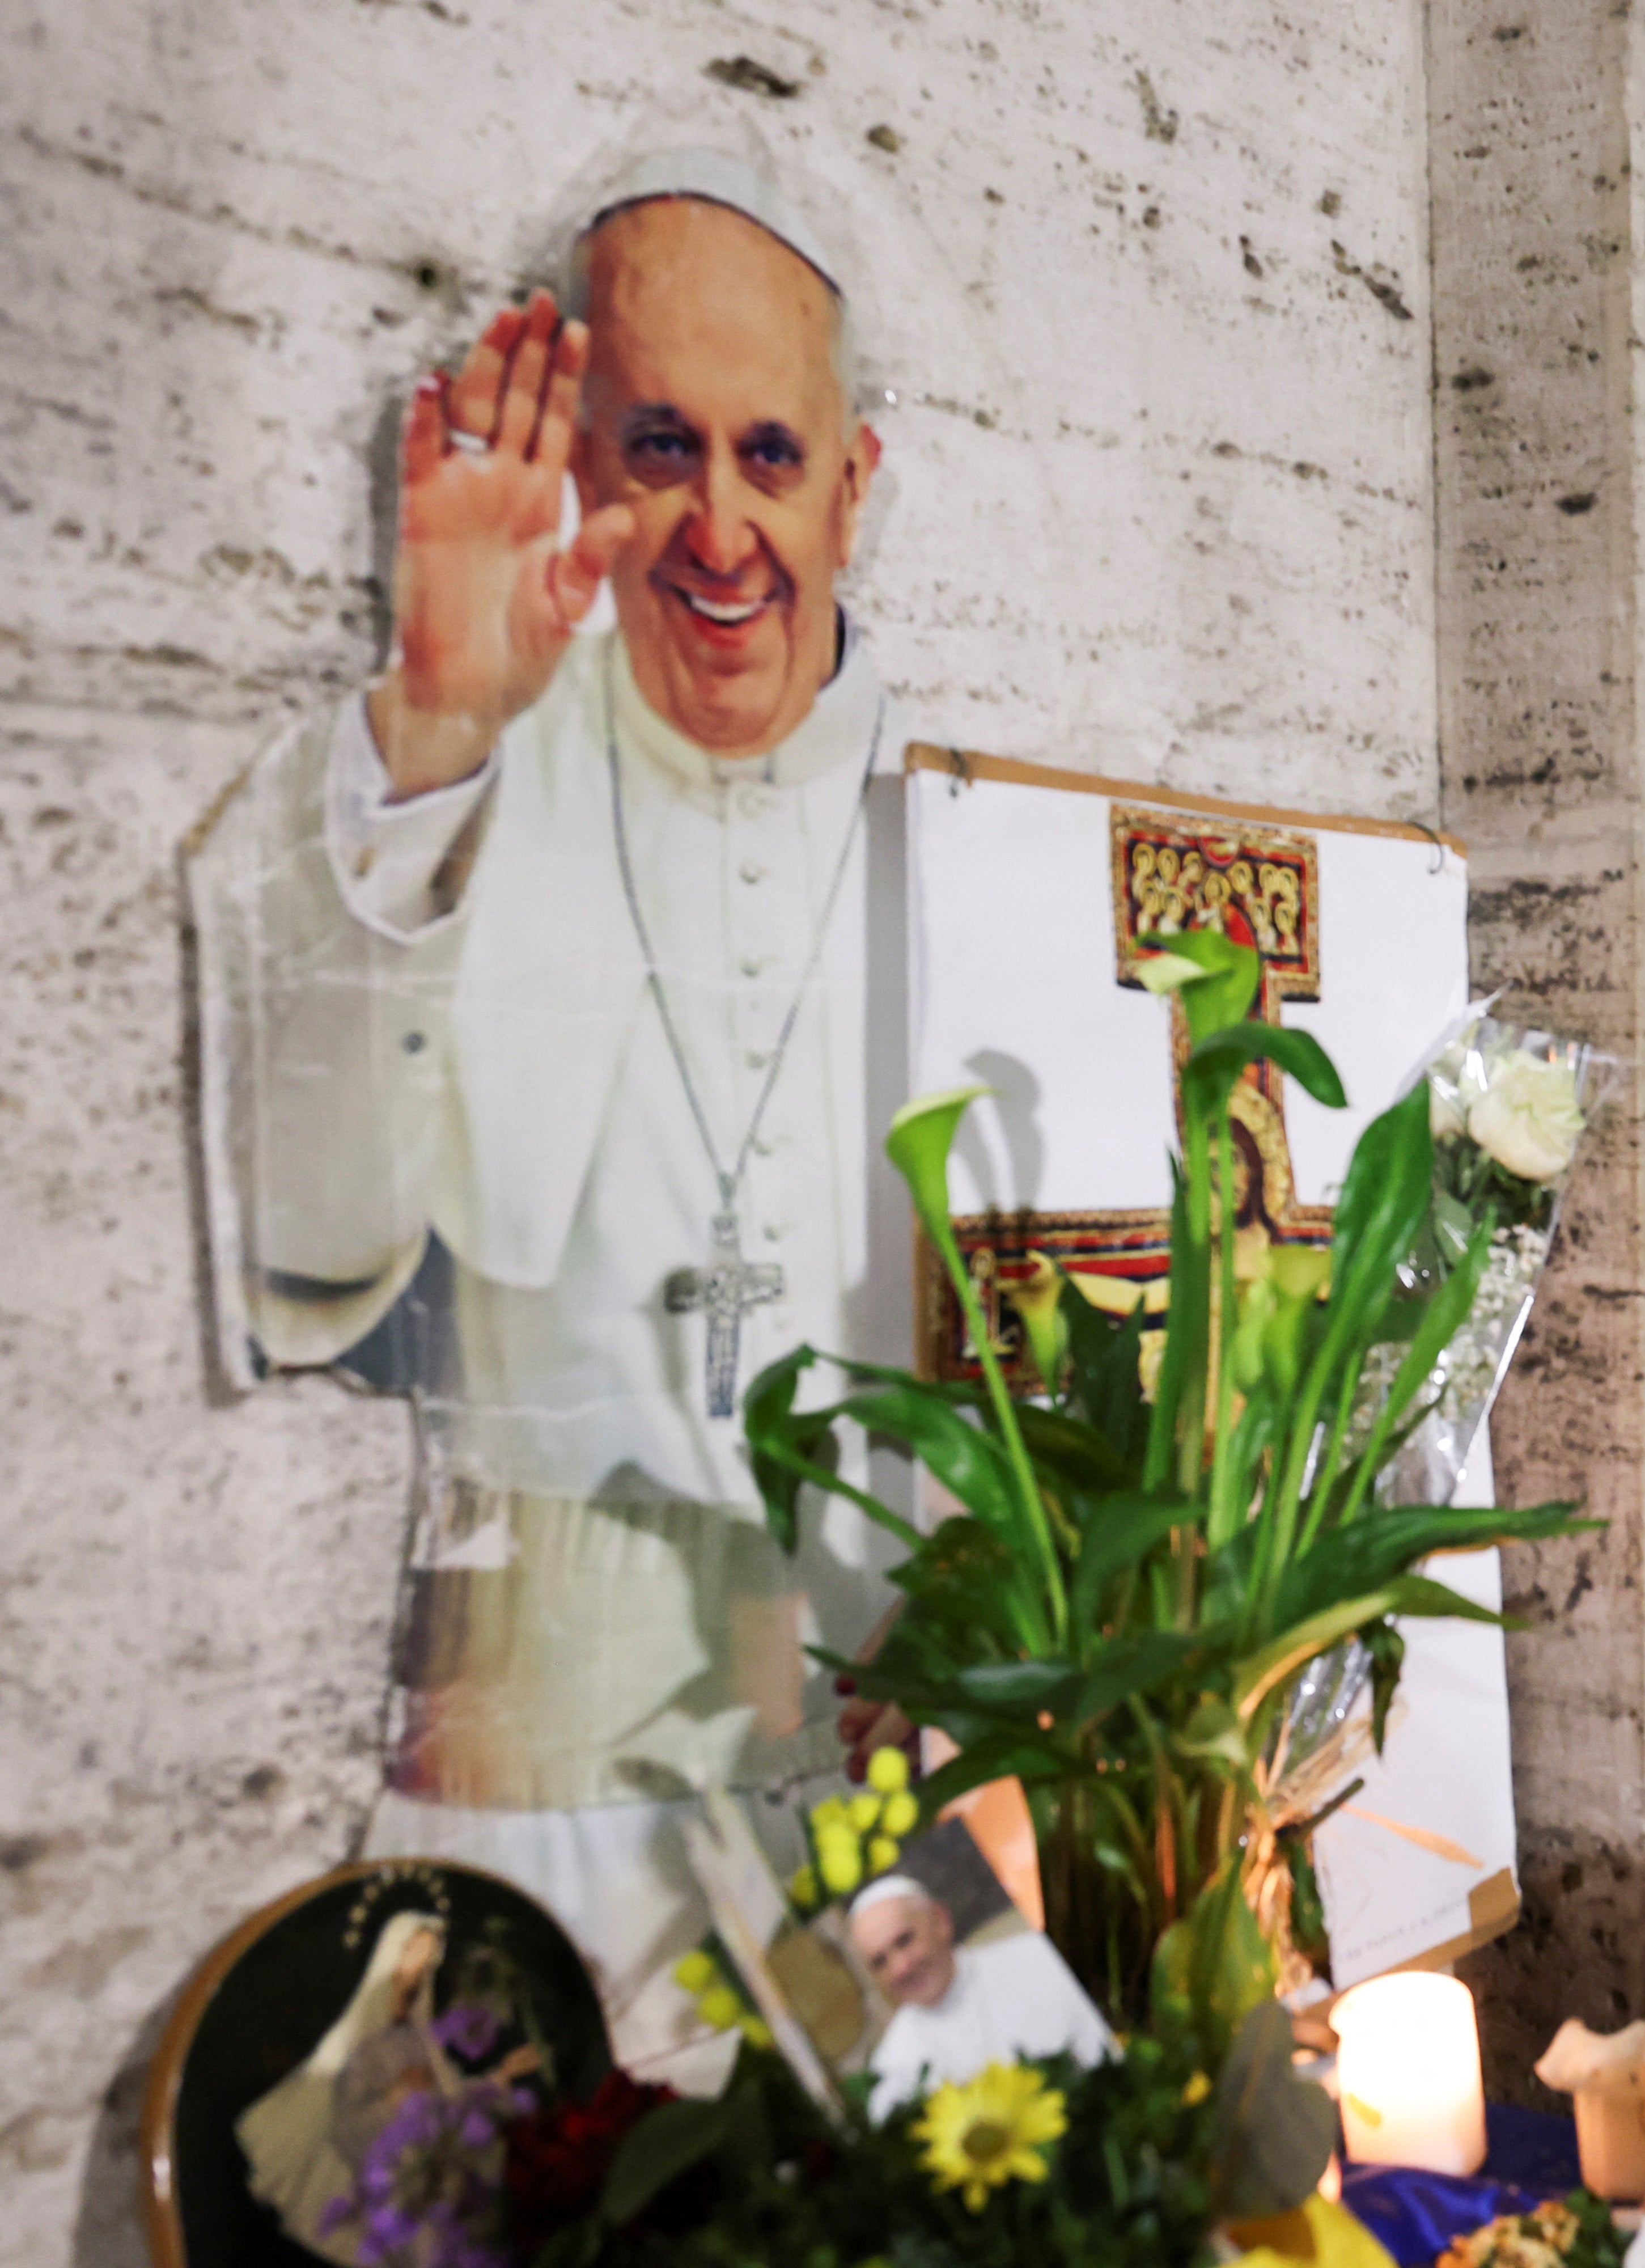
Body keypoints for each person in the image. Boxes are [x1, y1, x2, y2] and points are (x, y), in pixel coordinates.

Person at [193, 151, 908, 2080]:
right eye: (660, 447)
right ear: (582, 458)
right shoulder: (468, 747)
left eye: (772, 456)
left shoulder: (958, 818)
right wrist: (436, 724)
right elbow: (309, 1264)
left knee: (979, 2173)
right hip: (534, 1827)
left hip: (885, 1799)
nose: (720, 527)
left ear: (852, 487)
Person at [234, 1914, 457, 2265]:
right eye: (416, 1950)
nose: (422, 1962)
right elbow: (349, 2071)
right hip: (361, 2124)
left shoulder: (417, 2014)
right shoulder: (371, 2006)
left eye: (429, 1955)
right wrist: (393, 2093)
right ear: (396, 1950)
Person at [847, 1877, 1113, 2115]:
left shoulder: (1040, 1957)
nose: (901, 1968)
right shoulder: (890, 2068)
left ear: (940, 1920)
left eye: (905, 1941)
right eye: (880, 1962)